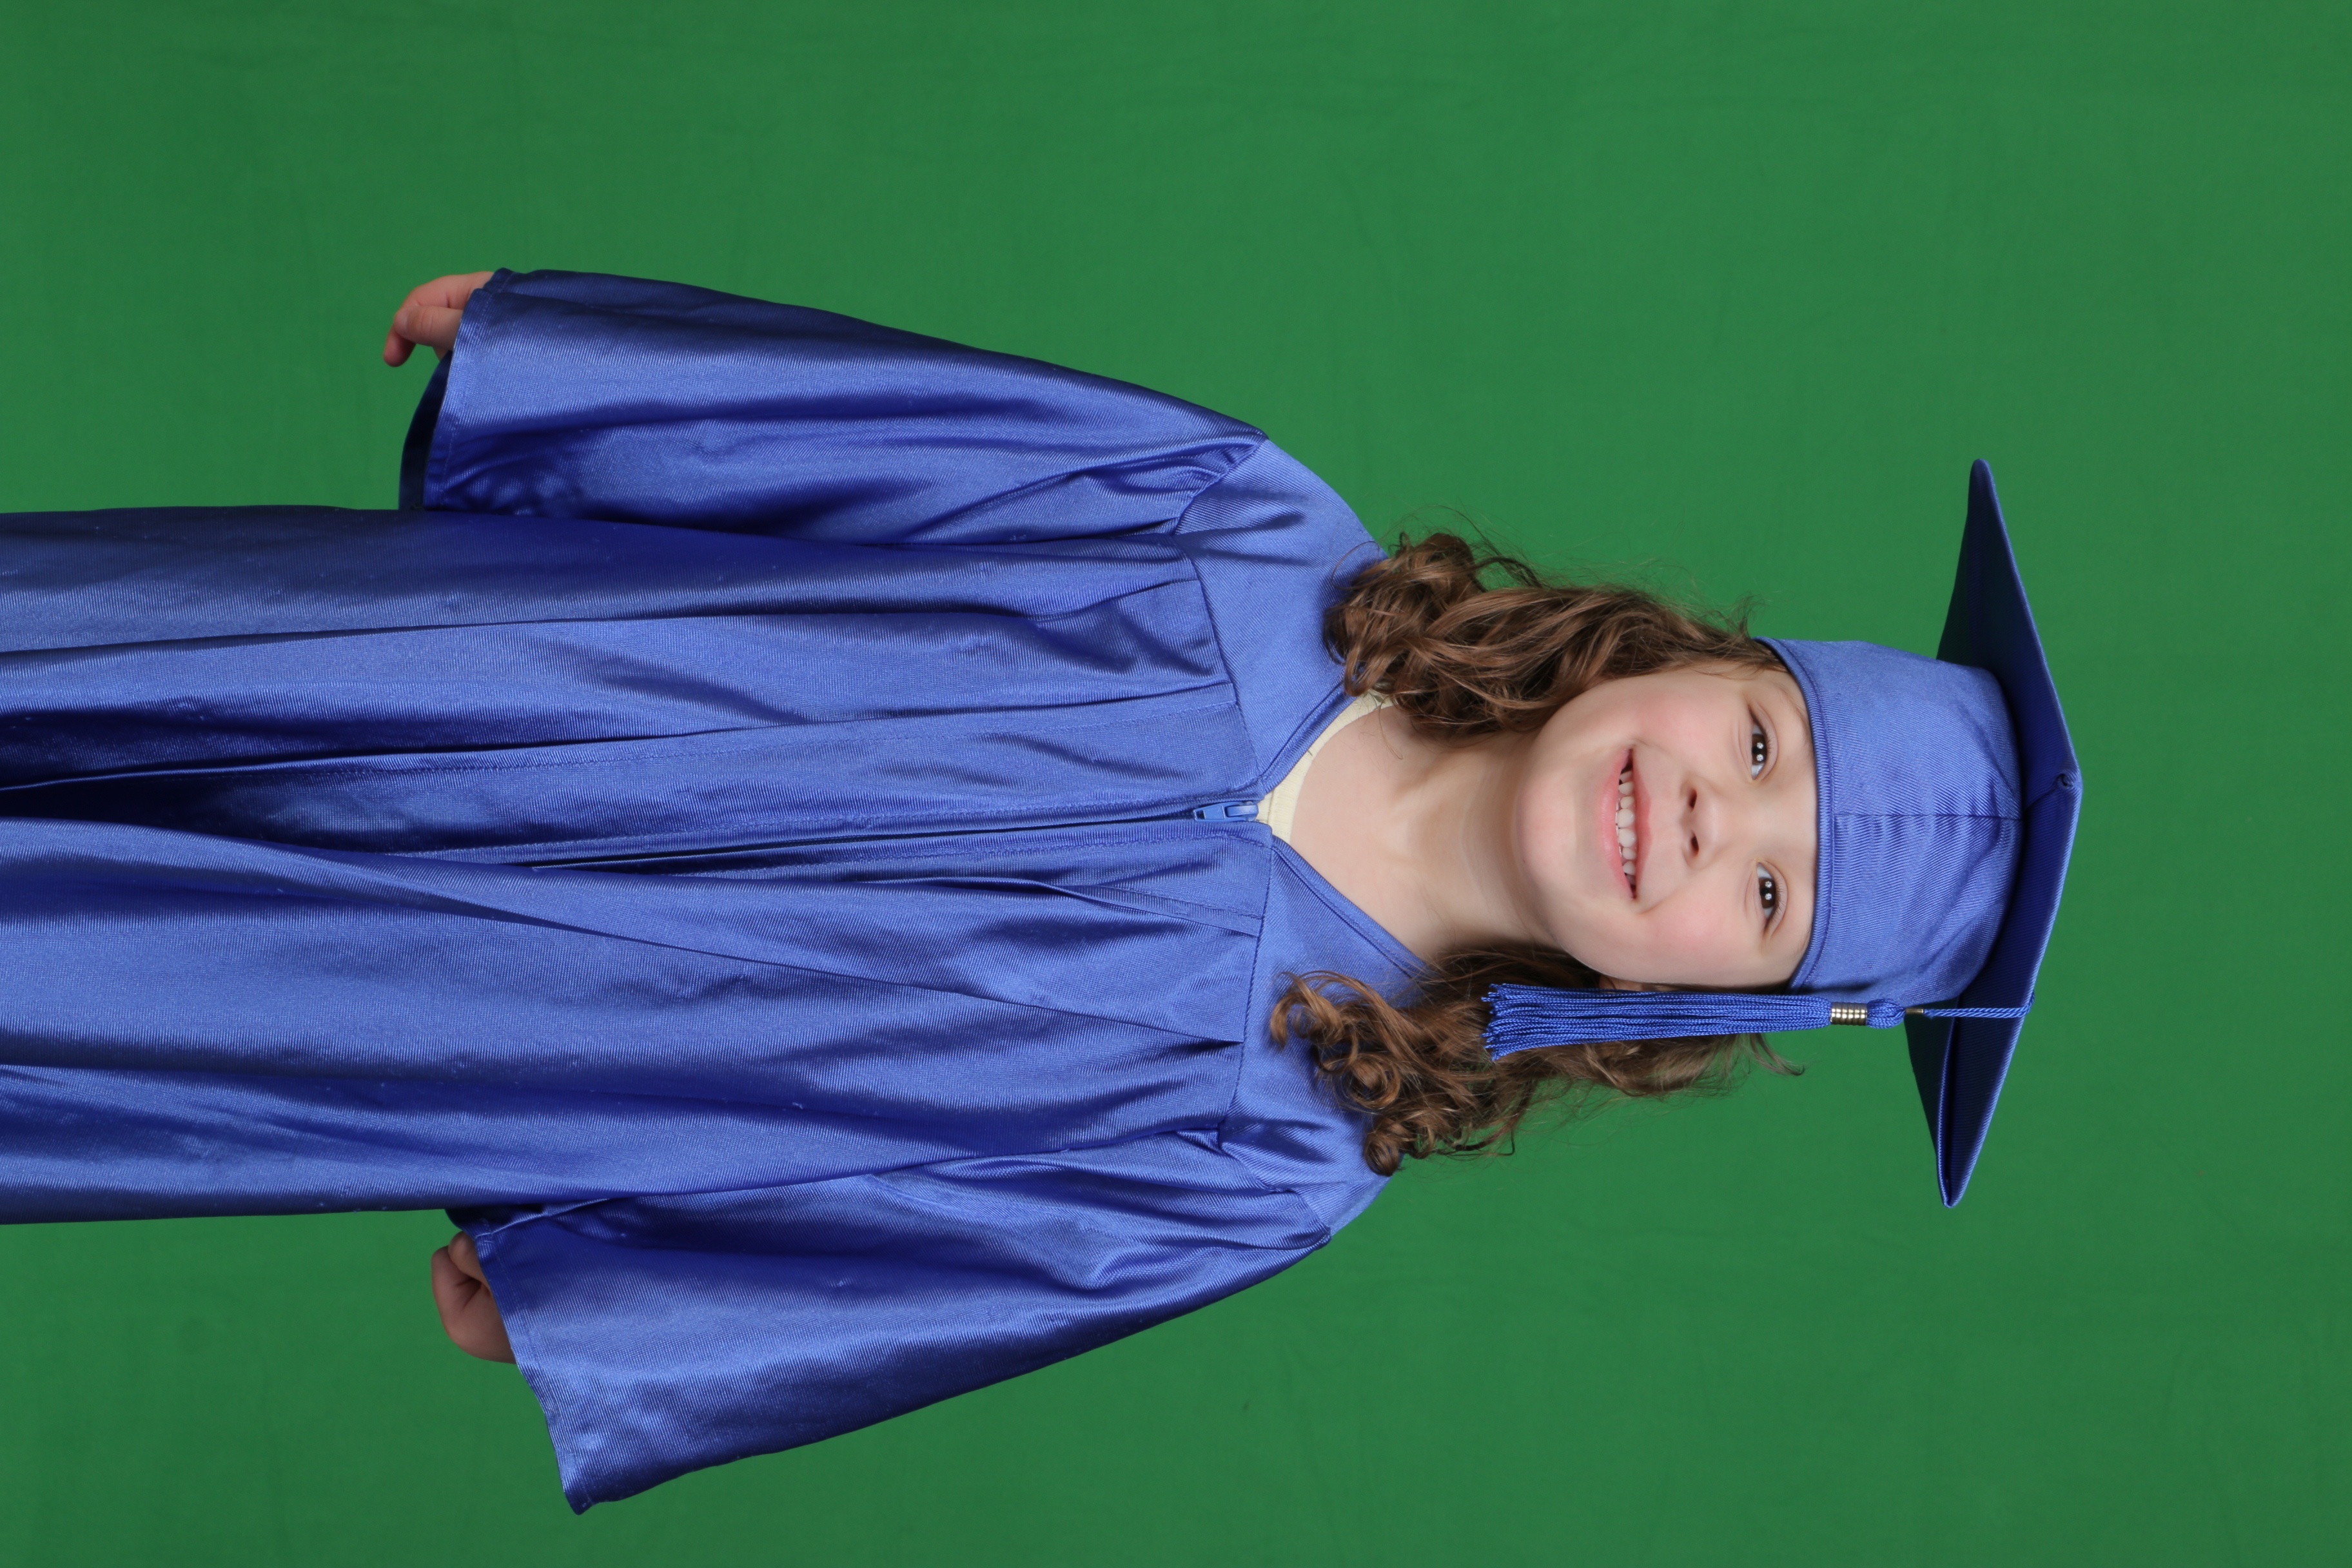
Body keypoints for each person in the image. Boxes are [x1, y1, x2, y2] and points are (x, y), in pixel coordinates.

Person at [0, 270, 2076, 1510]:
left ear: (1702, 1012)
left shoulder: (1282, 1154)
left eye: (1774, 900)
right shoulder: (1252, 529)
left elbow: (951, 1273)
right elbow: (902, 442)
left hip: (487, 1009)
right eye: (1766, 747)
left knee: (93, 997)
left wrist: (610, 1295)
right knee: (92, 650)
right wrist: (569, 365)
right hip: (479, 663)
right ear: (1691, 658)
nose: (1712, 821)